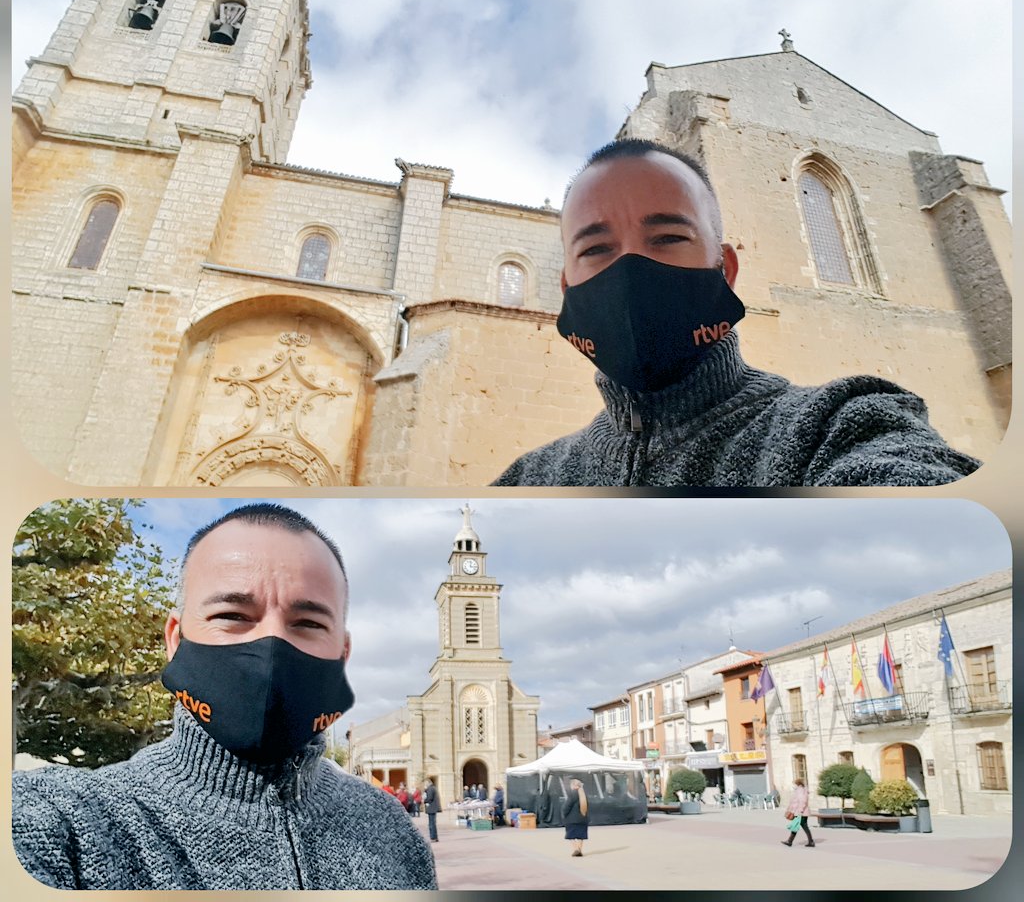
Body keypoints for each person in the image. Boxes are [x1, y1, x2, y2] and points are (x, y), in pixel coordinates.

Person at [493, 139, 980, 488]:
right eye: (597, 248)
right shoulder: (528, 478)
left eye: (667, 238)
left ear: (724, 269)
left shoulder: (838, 424)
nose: (629, 269)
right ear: (566, 289)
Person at [12, 504, 437, 890]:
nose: (270, 642)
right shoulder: (67, 823)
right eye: (232, 616)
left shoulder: (393, 833)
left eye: (307, 622)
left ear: (342, 653)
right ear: (175, 640)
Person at [782, 777, 815, 848]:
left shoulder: (800, 791)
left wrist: (800, 811)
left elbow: (802, 801)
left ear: (797, 784)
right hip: (800, 812)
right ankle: (809, 841)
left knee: (798, 826)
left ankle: (790, 841)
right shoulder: (799, 790)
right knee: (799, 826)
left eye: (794, 784)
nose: (793, 785)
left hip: (801, 812)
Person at [562, 778, 590, 857]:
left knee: (571, 835)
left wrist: (564, 814)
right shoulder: (584, 794)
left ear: (574, 785)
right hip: (583, 818)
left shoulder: (573, 794)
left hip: (572, 819)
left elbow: (567, 806)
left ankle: (576, 849)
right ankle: (580, 849)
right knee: (581, 836)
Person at [424, 778, 441, 843]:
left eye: (425, 783)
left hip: (431, 808)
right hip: (433, 808)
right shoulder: (433, 788)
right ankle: (435, 837)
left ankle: (433, 837)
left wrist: (425, 800)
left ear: (428, 783)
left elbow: (429, 798)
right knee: (433, 823)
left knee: (431, 824)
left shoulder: (430, 789)